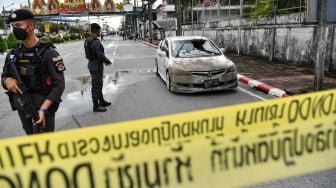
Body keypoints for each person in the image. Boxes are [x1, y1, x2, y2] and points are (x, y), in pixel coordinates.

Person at [1, 9, 65, 135]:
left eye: (18, 25)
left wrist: (43, 108)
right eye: (13, 26)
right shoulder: (13, 54)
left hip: (43, 108)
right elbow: (4, 76)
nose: (15, 29)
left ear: (31, 26)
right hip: (23, 106)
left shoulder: (48, 53)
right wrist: (7, 81)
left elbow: (59, 85)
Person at [84, 23, 112, 112]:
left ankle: (102, 101)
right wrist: (107, 61)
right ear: (97, 30)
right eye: (100, 30)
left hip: (91, 64)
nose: (100, 32)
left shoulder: (87, 40)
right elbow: (100, 55)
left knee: (99, 84)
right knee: (96, 86)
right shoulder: (96, 41)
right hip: (96, 66)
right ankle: (96, 106)